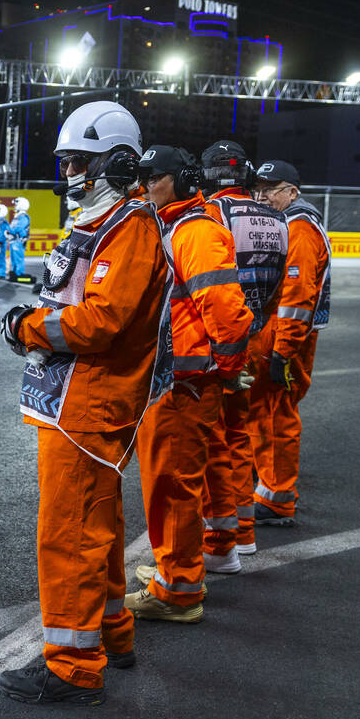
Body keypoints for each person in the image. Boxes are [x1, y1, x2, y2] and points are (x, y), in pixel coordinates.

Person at [0, 101, 172, 706]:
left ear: (117, 163)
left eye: (79, 162)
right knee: (97, 525)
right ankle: (113, 636)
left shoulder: (129, 227)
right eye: (67, 161)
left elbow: (101, 321)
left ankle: (73, 666)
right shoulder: (111, 223)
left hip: (88, 403)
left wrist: (28, 327)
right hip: (83, 401)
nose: (69, 173)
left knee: (69, 533)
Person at [126, 145, 252, 624]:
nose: (144, 187)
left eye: (153, 178)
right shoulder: (176, 226)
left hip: (186, 385)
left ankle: (178, 590)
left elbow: (229, 314)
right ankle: (173, 568)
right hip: (176, 382)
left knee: (173, 486)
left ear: (180, 180)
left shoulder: (195, 231)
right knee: (169, 484)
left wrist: (218, 371)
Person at [199, 141, 289, 559]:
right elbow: (276, 294)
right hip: (251, 340)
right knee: (239, 438)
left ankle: (216, 545)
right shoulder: (279, 219)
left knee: (211, 445)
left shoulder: (209, 217)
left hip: (214, 348)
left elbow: (208, 290)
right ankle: (245, 534)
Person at [248, 160, 331, 527]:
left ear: (292, 192)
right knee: (266, 413)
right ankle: (267, 480)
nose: (262, 195)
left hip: (285, 338)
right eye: (259, 188)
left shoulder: (298, 227)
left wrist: (283, 351)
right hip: (282, 335)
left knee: (275, 414)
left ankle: (277, 499)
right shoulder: (292, 222)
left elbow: (297, 297)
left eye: (271, 188)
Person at [6, 197, 31, 281]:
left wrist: (9, 231)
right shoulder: (17, 216)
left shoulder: (23, 216)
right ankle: (15, 274)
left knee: (18, 259)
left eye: (16, 204)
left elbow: (19, 228)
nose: (15, 206)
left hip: (19, 241)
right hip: (14, 241)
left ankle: (19, 274)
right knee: (13, 259)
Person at [0, 202, 12, 278]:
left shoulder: (3, 222)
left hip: (1, 243)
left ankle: (2, 274)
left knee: (1, 259)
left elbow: (3, 233)